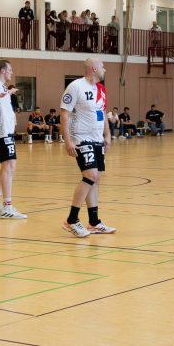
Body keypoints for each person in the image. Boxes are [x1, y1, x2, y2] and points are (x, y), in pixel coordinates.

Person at [60, 58, 114, 238]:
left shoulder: (101, 89)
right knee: (90, 175)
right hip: (82, 138)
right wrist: (68, 141)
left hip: (97, 139)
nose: (105, 69)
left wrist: (107, 135)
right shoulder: (76, 86)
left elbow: (103, 113)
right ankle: (71, 220)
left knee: (96, 179)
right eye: (102, 67)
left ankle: (94, 222)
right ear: (94, 69)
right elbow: (64, 114)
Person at [0, 59, 26, 219]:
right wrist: (4, 93)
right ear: (3, 71)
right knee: (9, 165)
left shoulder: (2, 86)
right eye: (10, 70)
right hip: (0, 132)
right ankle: (7, 207)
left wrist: (8, 92)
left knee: (7, 166)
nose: (11, 72)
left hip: (6, 131)